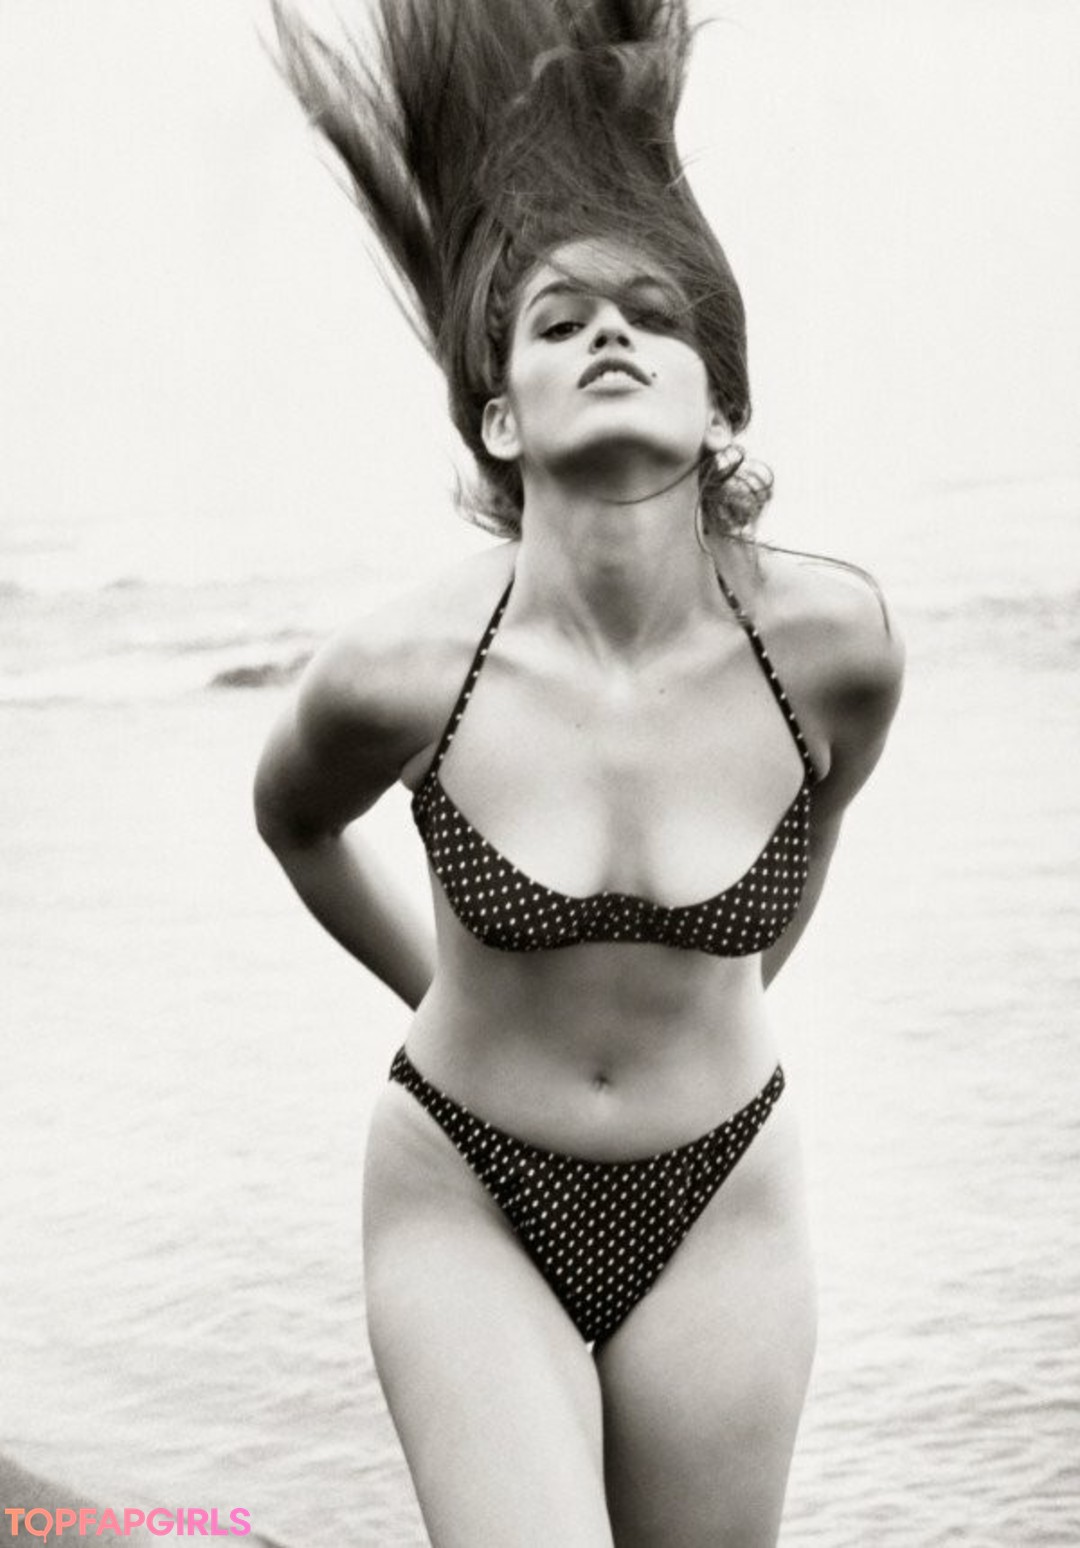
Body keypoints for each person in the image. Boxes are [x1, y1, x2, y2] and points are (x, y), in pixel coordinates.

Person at [256, 2, 904, 1543]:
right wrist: (442, 987)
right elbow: (293, 822)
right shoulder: (403, 669)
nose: (608, 333)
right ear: (500, 416)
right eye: (557, 323)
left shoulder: (835, 649)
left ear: (720, 400)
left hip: (724, 1195)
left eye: (650, 313)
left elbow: (810, 838)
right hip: (463, 1187)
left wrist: (699, 1014)